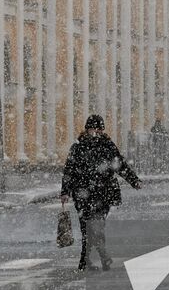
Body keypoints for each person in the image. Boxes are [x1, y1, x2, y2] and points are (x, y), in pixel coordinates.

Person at [60, 114, 141, 272]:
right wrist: (65, 191)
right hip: (83, 193)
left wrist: (133, 180)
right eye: (92, 128)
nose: (95, 132)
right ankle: (101, 258)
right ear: (87, 129)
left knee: (96, 227)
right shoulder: (79, 146)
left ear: (102, 130)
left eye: (98, 129)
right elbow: (69, 169)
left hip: (102, 193)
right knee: (88, 227)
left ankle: (87, 260)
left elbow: (119, 165)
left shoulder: (106, 144)